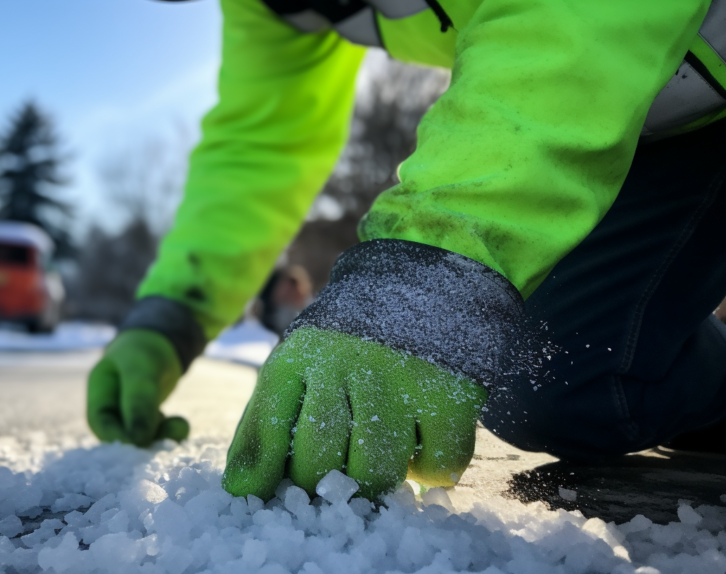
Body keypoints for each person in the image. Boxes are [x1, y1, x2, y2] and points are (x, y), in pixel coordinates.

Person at [87, 0, 726, 502]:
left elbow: (575, 15)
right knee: (549, 378)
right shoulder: (271, 5)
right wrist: (170, 316)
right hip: (626, 112)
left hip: (679, 98)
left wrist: (427, 273)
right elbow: (259, 149)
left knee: (502, 353)